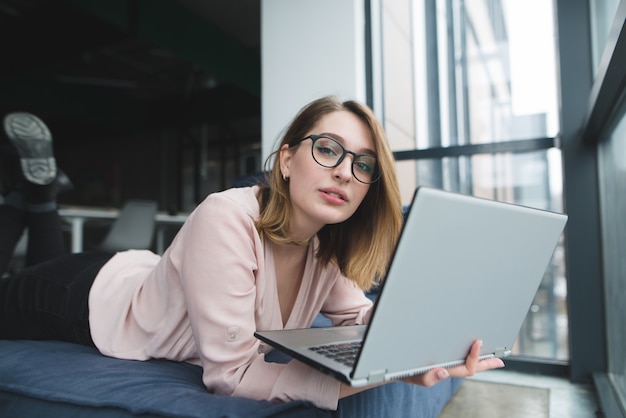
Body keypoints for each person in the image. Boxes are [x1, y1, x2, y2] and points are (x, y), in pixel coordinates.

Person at [0, 98, 504, 410]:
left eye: (364, 165)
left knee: (37, 248)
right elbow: (232, 376)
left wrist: (424, 351)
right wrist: (351, 385)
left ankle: (37, 196)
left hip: (142, 274)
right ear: (286, 159)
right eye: (328, 149)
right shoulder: (227, 216)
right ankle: (39, 198)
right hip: (88, 296)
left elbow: (364, 316)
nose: (345, 172)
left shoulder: (326, 248)